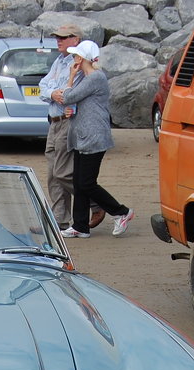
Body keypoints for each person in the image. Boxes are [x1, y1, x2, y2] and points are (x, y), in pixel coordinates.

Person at [50, 41, 133, 239]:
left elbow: (67, 96)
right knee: (79, 183)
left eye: (76, 55)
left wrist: (70, 77)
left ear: (83, 58)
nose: (73, 59)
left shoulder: (95, 77)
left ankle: (121, 212)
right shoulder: (86, 78)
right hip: (81, 136)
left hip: (94, 137)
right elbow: (74, 101)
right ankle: (80, 226)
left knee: (86, 183)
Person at [38, 24, 104, 231]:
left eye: (64, 37)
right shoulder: (59, 61)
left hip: (68, 121)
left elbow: (73, 94)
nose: (59, 40)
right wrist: (52, 94)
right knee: (52, 174)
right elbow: (43, 86)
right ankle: (60, 219)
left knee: (62, 173)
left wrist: (59, 94)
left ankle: (96, 202)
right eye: (57, 37)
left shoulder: (80, 65)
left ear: (76, 40)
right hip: (54, 121)